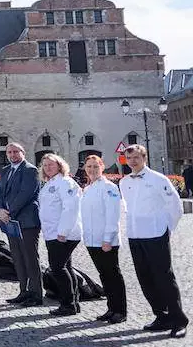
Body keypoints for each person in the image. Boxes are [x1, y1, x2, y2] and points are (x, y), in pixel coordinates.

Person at [119, 144, 188, 337]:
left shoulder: (158, 179)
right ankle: (161, 316)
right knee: (145, 278)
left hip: (156, 234)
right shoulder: (124, 182)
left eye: (136, 157)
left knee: (164, 277)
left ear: (144, 158)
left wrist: (167, 229)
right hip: (135, 235)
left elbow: (175, 206)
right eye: (129, 158)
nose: (132, 161)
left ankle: (178, 320)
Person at [0, 142, 44, 307]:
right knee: (17, 257)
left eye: (16, 152)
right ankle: (23, 291)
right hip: (11, 222)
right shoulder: (5, 170)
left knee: (30, 257)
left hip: (27, 221)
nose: (12, 155)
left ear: (23, 152)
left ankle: (36, 294)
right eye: (9, 152)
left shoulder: (30, 170)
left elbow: (26, 194)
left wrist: (8, 212)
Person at [81, 155, 127, 323]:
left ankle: (120, 311)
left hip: (106, 241)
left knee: (113, 275)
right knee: (104, 275)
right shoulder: (87, 189)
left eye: (95, 166)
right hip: (92, 240)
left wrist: (108, 239)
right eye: (89, 166)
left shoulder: (109, 187)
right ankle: (111, 308)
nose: (92, 169)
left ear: (102, 167)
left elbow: (113, 216)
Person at [38, 153, 83, 316]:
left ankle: (68, 304)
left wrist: (63, 231)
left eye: (51, 164)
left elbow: (70, 208)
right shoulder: (50, 183)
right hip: (52, 232)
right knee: (66, 267)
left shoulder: (65, 182)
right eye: (45, 165)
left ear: (59, 165)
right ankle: (73, 303)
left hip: (63, 234)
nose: (48, 167)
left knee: (57, 268)